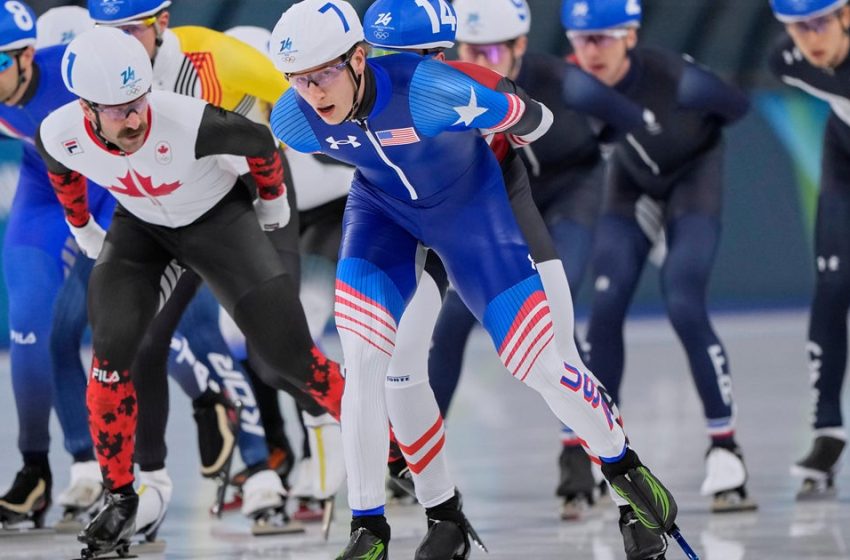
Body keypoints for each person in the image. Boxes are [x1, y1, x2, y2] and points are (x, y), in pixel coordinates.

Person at [270, 1, 680, 559]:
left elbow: (537, 121)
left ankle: (626, 476)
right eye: (301, 79)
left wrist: (497, 113)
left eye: (324, 75)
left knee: (543, 362)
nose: (314, 92)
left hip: (478, 212)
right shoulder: (294, 118)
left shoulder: (440, 87)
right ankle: (393, 525)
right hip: (387, 214)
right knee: (375, 363)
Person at [36, 26, 344, 556]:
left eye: (139, 104)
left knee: (287, 358)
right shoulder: (57, 130)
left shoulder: (186, 118)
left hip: (217, 223)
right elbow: (62, 168)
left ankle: (389, 446)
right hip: (142, 232)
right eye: (118, 111)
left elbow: (262, 143)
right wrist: (83, 227)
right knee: (111, 356)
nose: (134, 119)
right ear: (86, 108)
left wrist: (272, 206)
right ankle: (122, 496)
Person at [562, 0, 756, 514]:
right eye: (581, 40)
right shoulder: (574, 84)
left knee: (685, 302)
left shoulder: (679, 80)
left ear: (630, 36)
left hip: (693, 179)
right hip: (631, 190)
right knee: (601, 313)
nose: (591, 52)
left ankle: (726, 448)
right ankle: (599, 452)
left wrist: (699, 128)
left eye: (602, 38)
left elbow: (738, 106)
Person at [0, 0, 109, 529]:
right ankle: (35, 468)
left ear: (26, 56)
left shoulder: (74, 68)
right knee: (28, 329)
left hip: (109, 187)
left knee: (135, 333)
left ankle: (132, 469)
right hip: (44, 187)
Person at [768, 0, 850, 499]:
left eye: (819, 23)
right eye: (798, 27)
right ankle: (827, 432)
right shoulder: (787, 61)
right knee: (832, 283)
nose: (809, 38)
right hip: (844, 156)